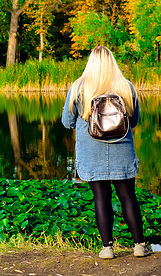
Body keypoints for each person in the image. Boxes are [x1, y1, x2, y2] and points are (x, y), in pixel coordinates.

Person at [61, 46, 149, 259]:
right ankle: (139, 245)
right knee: (128, 197)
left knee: (101, 197)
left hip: (92, 151)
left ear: (90, 63)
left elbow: (67, 122)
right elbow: (134, 121)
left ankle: (107, 248)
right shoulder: (125, 86)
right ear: (112, 62)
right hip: (122, 150)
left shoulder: (79, 87)